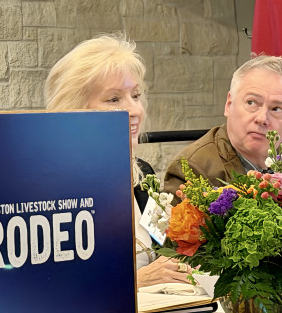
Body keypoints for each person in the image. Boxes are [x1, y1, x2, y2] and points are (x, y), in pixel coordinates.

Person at [44, 33, 192, 288]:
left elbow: (162, 248)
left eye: (136, 95)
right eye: (114, 99)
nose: (134, 110)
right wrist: (137, 281)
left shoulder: (142, 173)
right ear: (74, 110)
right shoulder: (52, 190)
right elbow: (53, 287)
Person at [164, 55, 282, 196]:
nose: (262, 118)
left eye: (276, 109)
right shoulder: (192, 170)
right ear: (229, 104)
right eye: (251, 102)